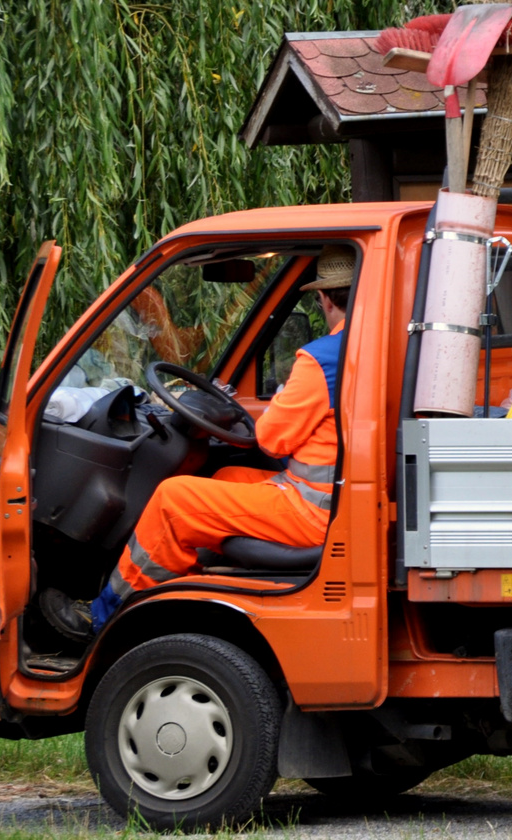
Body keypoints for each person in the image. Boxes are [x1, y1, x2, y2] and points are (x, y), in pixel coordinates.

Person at [40, 246, 353, 641]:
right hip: (334, 499)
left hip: (314, 510)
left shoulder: (321, 358)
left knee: (174, 498)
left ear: (324, 298)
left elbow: (272, 440)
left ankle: (104, 617)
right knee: (225, 473)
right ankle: (188, 593)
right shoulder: (363, 348)